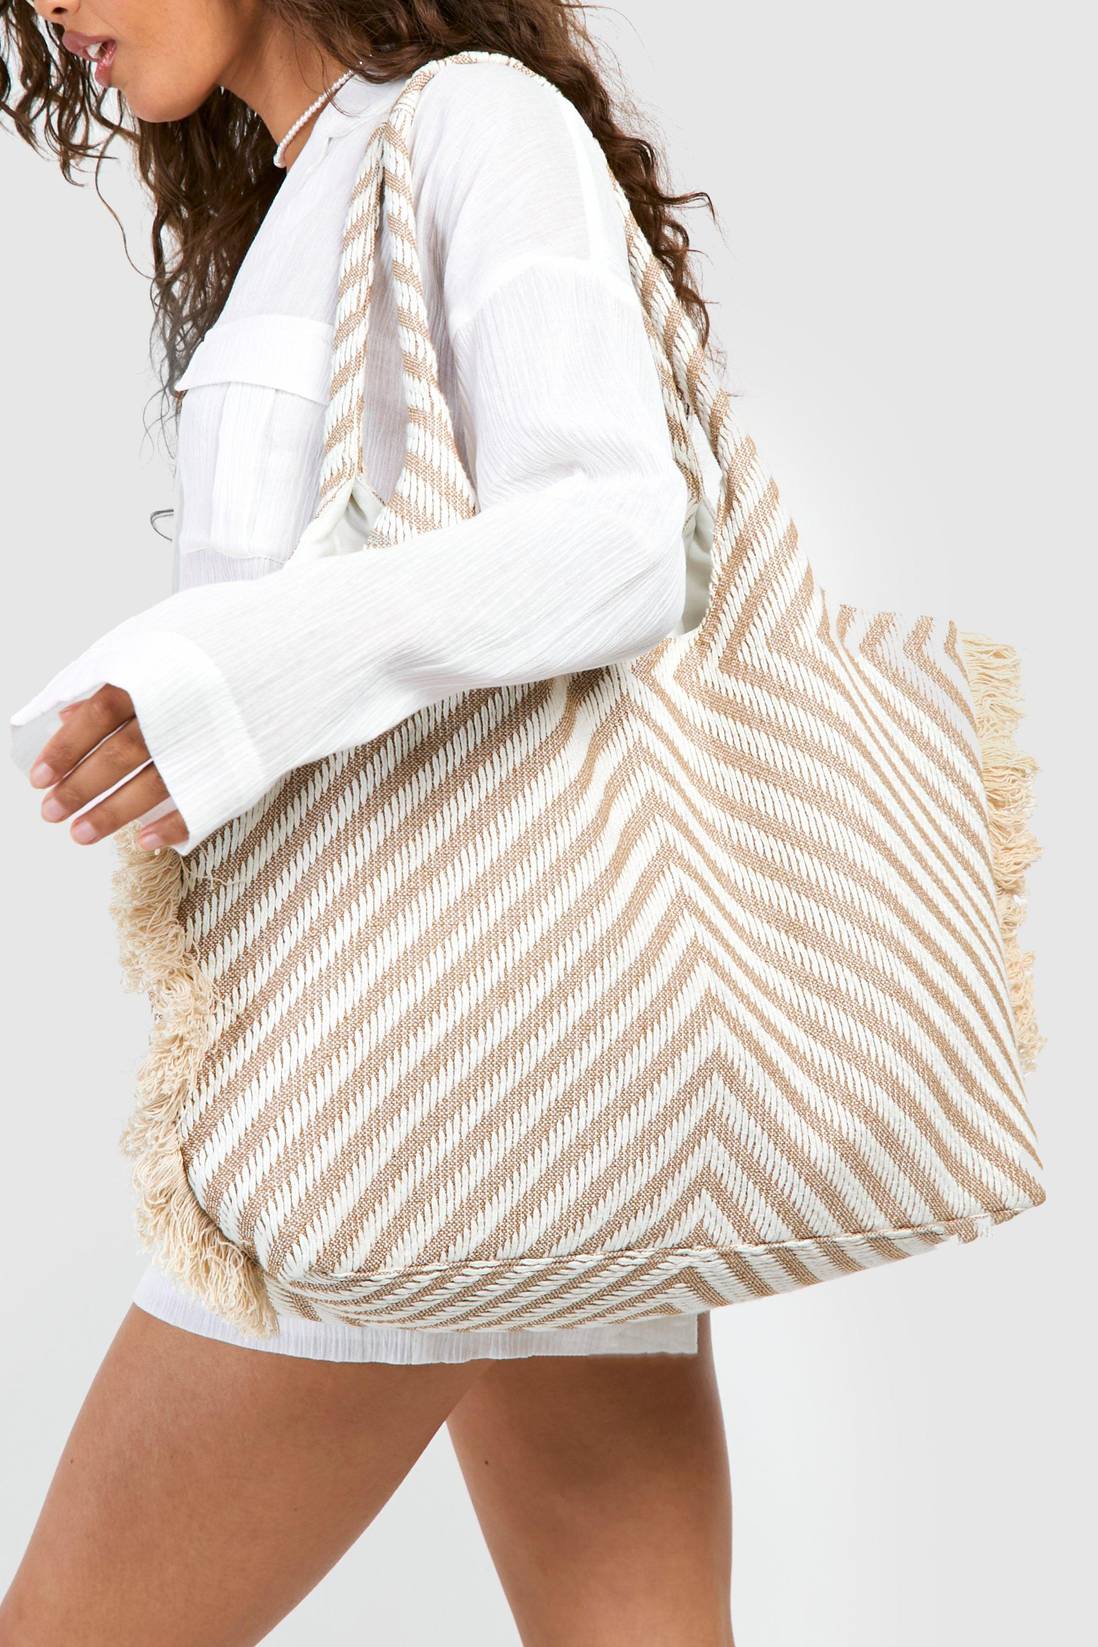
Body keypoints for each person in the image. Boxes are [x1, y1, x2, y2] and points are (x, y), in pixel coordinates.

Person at [1, 2, 735, 1641]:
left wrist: (226, 678)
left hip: (415, 1071)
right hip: (531, 1052)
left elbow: (623, 532)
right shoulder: (315, 186)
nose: (48, 5)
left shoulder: (469, 123)